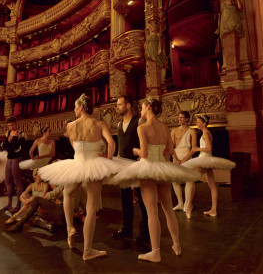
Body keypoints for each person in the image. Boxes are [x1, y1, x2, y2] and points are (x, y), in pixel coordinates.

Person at [110, 98, 200, 263]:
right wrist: (157, 151)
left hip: (148, 168)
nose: (141, 111)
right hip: (162, 167)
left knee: (152, 212)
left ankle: (156, 252)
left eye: (143, 107)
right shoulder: (165, 128)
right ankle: (177, 245)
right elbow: (170, 150)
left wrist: (136, 150)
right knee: (168, 210)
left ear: (148, 107)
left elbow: (144, 153)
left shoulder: (142, 127)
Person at [39, 94, 122, 260]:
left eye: (76, 107)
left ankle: (70, 227)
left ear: (82, 107)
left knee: (68, 193)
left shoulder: (70, 126)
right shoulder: (99, 124)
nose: (74, 109)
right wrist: (108, 160)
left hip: (77, 163)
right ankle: (87, 250)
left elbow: (75, 147)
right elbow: (111, 143)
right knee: (91, 207)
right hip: (94, 164)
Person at [112, 96, 149, 246]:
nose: (117, 107)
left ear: (128, 105)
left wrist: (141, 156)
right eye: (117, 105)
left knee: (142, 199)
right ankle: (126, 228)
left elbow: (144, 142)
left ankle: (144, 231)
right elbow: (121, 144)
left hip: (136, 164)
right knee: (125, 198)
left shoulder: (138, 122)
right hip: (123, 164)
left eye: (120, 104)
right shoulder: (119, 124)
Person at [182, 114, 236, 218]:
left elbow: (209, 148)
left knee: (190, 179)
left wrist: (197, 149)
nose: (197, 124)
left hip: (204, 160)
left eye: (198, 122)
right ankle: (214, 209)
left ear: (204, 123)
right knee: (212, 185)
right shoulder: (207, 133)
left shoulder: (206, 133)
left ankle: (188, 206)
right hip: (207, 160)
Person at [170, 111, 197, 216]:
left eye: (182, 117)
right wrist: (175, 159)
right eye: (179, 117)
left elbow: (194, 148)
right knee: (174, 180)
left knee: (189, 180)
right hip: (176, 157)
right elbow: (171, 147)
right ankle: (180, 203)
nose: (179, 119)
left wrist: (185, 159)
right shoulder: (174, 131)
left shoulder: (192, 131)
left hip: (187, 156)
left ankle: (187, 203)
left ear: (187, 119)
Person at [1, 116, 27, 213]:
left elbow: (20, 148)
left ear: (16, 123)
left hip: (17, 158)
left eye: (12, 125)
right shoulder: (8, 133)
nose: (11, 127)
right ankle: (9, 204)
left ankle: (18, 205)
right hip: (9, 157)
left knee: (17, 182)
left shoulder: (22, 134)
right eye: (9, 126)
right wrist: (9, 141)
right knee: (7, 181)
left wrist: (14, 138)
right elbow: (5, 146)